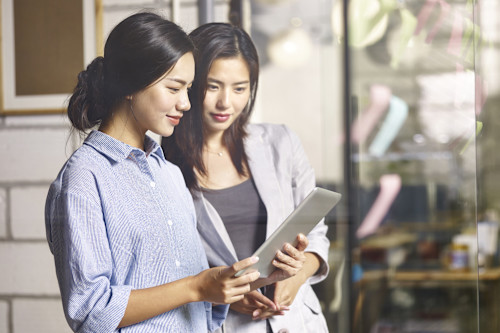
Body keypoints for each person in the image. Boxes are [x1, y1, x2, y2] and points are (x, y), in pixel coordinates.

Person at [44, 13, 271, 332]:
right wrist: (196, 287)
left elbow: (184, 288)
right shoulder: (84, 179)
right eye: (175, 88)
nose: (186, 104)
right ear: (129, 84)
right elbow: (91, 312)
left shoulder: (169, 173)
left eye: (189, 89)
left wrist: (222, 294)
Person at [162, 22, 330, 332]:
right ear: (191, 84)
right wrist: (224, 295)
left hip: (296, 320)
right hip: (229, 324)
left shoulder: (281, 143)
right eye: (213, 86)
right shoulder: (164, 167)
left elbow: (317, 234)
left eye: (240, 88)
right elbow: (170, 269)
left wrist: (301, 272)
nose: (226, 102)